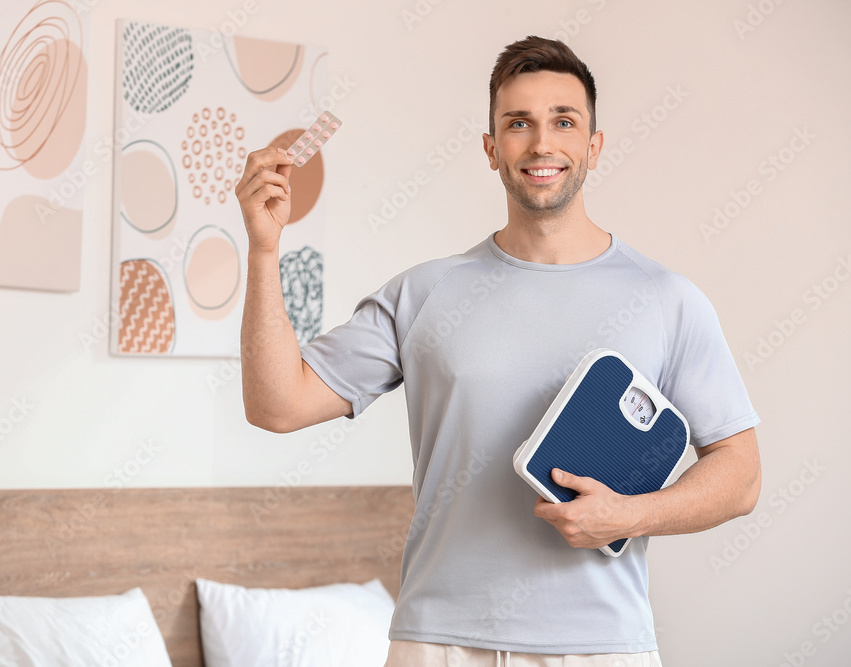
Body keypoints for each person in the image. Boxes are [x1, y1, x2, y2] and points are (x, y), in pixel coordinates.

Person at [234, 35, 761, 667]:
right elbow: (277, 405)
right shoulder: (424, 292)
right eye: (518, 124)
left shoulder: (668, 299)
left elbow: (742, 474)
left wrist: (630, 515)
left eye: (564, 122)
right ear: (491, 149)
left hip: (599, 647)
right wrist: (264, 251)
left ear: (594, 145)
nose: (542, 144)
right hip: (437, 643)